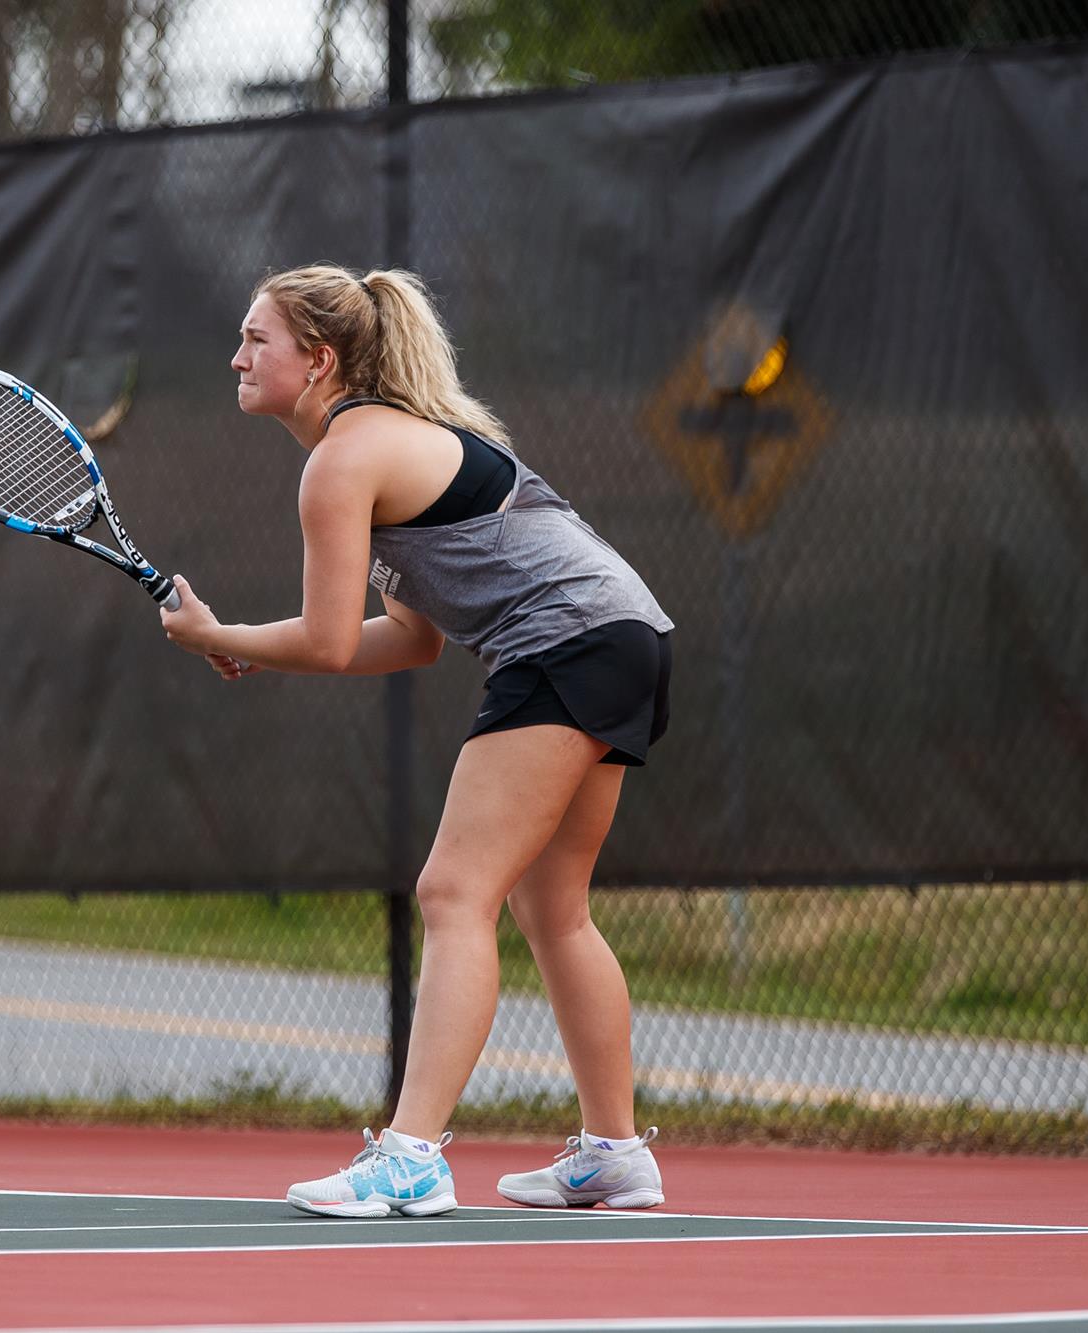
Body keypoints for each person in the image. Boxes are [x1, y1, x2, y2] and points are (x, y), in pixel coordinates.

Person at [158, 264, 673, 1218]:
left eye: (255, 339)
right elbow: (409, 638)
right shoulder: (387, 448)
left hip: (565, 641)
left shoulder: (344, 461)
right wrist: (246, 646)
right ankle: (613, 1154)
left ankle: (410, 1156)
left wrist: (219, 636)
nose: (236, 355)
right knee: (551, 907)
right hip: (627, 635)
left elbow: (323, 639)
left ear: (318, 360)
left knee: (452, 891)